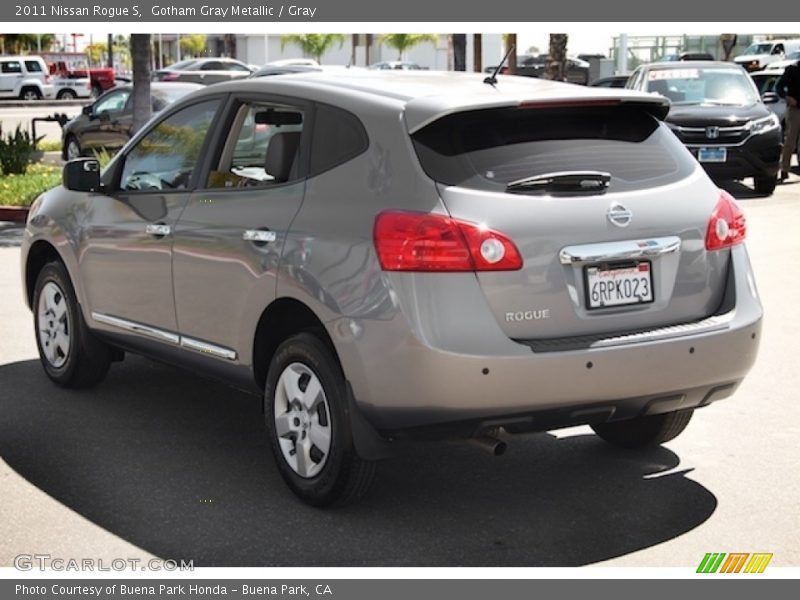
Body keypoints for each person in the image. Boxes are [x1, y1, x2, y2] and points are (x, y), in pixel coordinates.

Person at [776, 60, 800, 182]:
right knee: (790, 140)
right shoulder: (792, 69)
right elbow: (779, 86)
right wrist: (787, 97)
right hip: (795, 110)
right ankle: (785, 169)